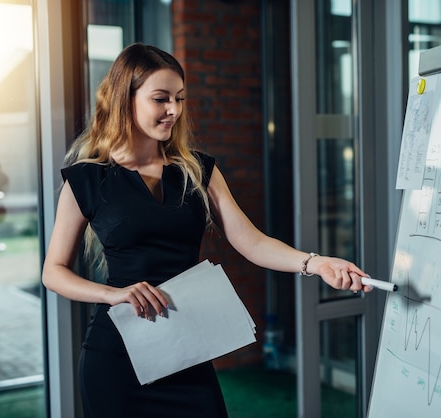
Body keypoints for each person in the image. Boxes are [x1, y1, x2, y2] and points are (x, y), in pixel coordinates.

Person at [42, 42, 372, 418]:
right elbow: (53, 272)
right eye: (161, 99)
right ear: (125, 99)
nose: (174, 111)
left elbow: (252, 241)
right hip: (116, 359)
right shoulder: (87, 179)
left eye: (180, 99)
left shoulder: (198, 170)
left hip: (185, 349)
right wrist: (112, 294)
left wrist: (315, 263)